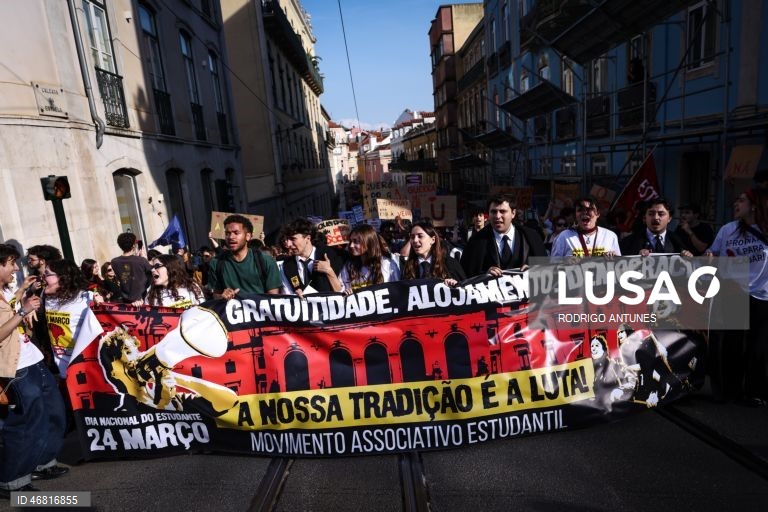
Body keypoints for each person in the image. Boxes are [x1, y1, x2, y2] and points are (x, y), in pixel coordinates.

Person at [0, 243, 68, 498]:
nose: (15, 267)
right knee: (26, 423)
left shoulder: (3, 291)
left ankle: (42, 462)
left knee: (52, 413)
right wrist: (24, 311)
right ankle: (13, 480)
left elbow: (8, 311)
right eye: (10, 263)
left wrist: (21, 291)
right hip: (16, 368)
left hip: (33, 361)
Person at [707, 188, 768, 406]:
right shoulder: (727, 230)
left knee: (757, 348)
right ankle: (730, 391)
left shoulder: (765, 228)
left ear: (754, 205)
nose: (735, 204)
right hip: (733, 292)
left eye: (741, 200)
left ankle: (755, 392)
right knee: (732, 345)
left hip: (762, 296)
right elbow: (713, 252)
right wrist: (709, 255)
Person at [43, 259, 104, 377]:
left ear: (62, 277)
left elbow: (104, 326)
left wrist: (101, 307)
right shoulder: (48, 299)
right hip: (63, 371)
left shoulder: (86, 298)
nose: (43, 277)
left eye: (47, 274)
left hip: (86, 368)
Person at [460, 194, 546, 277]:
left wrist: (534, 272)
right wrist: (484, 275)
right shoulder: (476, 241)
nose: (497, 216)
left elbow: (547, 279)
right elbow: (465, 276)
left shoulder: (531, 237)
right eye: (493, 212)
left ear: (513, 213)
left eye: (502, 211)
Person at [208, 215, 282, 300]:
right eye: (227, 233)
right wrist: (222, 296)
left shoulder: (266, 261)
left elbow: (273, 299)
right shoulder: (216, 263)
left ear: (248, 236)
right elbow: (216, 296)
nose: (231, 237)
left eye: (236, 233)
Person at [279, 218, 344, 295]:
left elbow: (342, 293)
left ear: (307, 238)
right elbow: (287, 294)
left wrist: (329, 271)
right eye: (287, 239)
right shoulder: (286, 266)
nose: (288, 244)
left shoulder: (332, 256)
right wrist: (296, 297)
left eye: (293, 239)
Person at [550, 197, 621, 262]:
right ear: (575, 215)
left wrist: (613, 257)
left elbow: (619, 265)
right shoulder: (564, 236)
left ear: (598, 214)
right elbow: (552, 266)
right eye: (580, 210)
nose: (584, 212)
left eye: (589, 209)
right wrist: (564, 261)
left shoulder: (610, 236)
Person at [619, 198, 693, 256]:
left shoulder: (679, 241)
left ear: (669, 218)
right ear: (644, 218)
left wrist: (687, 257)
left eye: (661, 214)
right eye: (651, 214)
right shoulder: (628, 242)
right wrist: (636, 258)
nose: (656, 218)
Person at [338, 224, 400, 293]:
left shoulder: (387, 264)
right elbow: (341, 290)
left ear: (369, 242)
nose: (351, 245)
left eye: (356, 241)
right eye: (351, 241)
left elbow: (396, 291)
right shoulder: (348, 267)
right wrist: (346, 293)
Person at [111, 232, 152, 306]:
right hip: (141, 298)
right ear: (133, 245)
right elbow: (150, 277)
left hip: (125, 299)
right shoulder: (141, 260)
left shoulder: (114, 262)